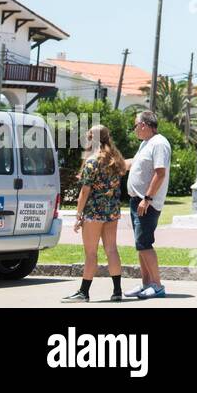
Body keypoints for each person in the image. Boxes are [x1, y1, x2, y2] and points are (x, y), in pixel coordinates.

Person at [61, 125, 126, 303]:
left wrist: (78, 215)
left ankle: (84, 292)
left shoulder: (92, 161)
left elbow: (85, 191)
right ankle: (117, 291)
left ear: (93, 139)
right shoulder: (115, 160)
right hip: (112, 212)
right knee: (111, 249)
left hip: (94, 213)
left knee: (91, 253)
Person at [123, 111, 170, 300]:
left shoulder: (159, 144)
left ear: (144, 124)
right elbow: (133, 164)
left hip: (147, 203)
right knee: (140, 244)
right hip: (138, 201)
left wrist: (147, 198)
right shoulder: (146, 144)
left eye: (135, 125)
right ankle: (146, 284)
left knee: (144, 244)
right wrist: (107, 162)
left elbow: (160, 173)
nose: (134, 129)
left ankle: (157, 285)